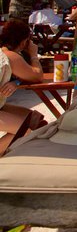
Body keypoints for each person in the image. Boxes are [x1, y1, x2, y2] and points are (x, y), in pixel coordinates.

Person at [0, 20, 48, 152]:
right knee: (27, 130)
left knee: (35, 120)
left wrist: (16, 82)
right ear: (23, 42)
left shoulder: (3, 54)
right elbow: (37, 76)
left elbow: (20, 75)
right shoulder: (10, 56)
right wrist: (33, 54)